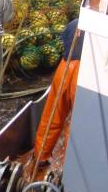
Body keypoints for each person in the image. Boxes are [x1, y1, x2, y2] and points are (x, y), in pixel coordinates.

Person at [33, 19, 83, 165]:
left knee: (53, 114)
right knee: (78, 123)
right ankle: (70, 168)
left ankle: (41, 157)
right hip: (85, 76)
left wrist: (41, 155)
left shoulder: (75, 23)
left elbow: (52, 118)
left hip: (67, 66)